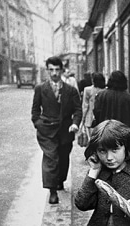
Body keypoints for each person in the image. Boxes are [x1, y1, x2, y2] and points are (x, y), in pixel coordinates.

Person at [31, 56, 82, 204]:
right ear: (47, 70)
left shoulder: (71, 90)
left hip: (65, 131)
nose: (54, 73)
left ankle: (60, 180)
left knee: (63, 158)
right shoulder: (40, 89)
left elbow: (77, 110)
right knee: (51, 159)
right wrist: (38, 123)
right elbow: (35, 110)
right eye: (51, 69)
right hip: (46, 131)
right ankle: (52, 191)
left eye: (57, 69)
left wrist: (75, 123)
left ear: (62, 70)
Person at [93, 70, 130, 143]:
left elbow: (96, 112)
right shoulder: (128, 98)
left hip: (105, 133)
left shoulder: (101, 95)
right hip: (123, 135)